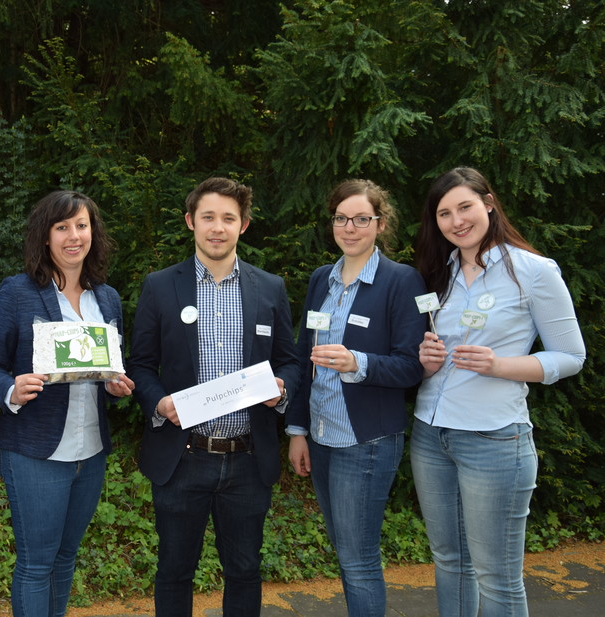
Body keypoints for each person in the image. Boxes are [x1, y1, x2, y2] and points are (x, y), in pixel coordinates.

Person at [413, 167, 586, 617]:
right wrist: (426, 359)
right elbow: (433, 353)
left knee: (498, 579)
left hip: (493, 440)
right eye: (444, 213)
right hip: (431, 435)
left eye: (465, 207)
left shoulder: (533, 271)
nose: (456, 221)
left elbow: (571, 356)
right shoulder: (439, 273)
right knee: (450, 562)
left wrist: (500, 365)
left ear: (489, 202)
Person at [128, 177, 299, 617]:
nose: (217, 227)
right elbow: (141, 364)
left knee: (244, 571)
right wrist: (159, 403)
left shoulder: (270, 288)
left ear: (243, 225)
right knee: (173, 572)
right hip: (183, 455)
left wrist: (282, 389)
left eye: (228, 218)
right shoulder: (161, 286)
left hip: (247, 458)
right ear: (191, 222)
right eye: (208, 217)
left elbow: (290, 361)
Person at [0, 190, 134, 617]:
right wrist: (10, 389)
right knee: (36, 563)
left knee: (66, 559)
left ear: (93, 232)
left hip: (91, 450)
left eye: (81, 226)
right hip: (35, 449)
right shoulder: (17, 292)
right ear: (44, 236)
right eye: (62, 227)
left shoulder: (107, 299)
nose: (73, 236)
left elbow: (108, 367)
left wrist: (114, 384)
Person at [286, 179, 427, 617]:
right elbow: (301, 358)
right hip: (322, 438)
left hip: (364, 441)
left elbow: (412, 366)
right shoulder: (320, 281)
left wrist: (357, 363)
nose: (350, 227)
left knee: (359, 560)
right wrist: (296, 430)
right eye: (341, 218)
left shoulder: (400, 281)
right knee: (345, 555)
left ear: (379, 224)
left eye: (361, 219)